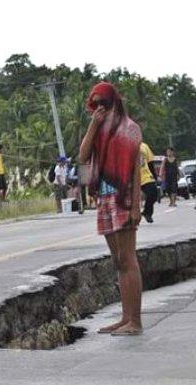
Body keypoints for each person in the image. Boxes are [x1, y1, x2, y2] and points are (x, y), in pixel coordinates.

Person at [79, 81, 143, 336]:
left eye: (103, 104)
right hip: (104, 199)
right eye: (95, 105)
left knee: (128, 259)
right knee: (118, 261)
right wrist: (94, 124)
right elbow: (83, 156)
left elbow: (136, 169)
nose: (99, 109)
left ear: (114, 102)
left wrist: (136, 204)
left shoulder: (129, 129)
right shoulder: (98, 129)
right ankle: (125, 317)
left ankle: (135, 321)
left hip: (123, 197)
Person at [139, 142, 158, 223]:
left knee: (153, 194)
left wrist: (155, 177)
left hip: (145, 175)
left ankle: (147, 212)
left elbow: (150, 163)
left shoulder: (144, 146)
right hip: (132, 176)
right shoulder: (126, 144)